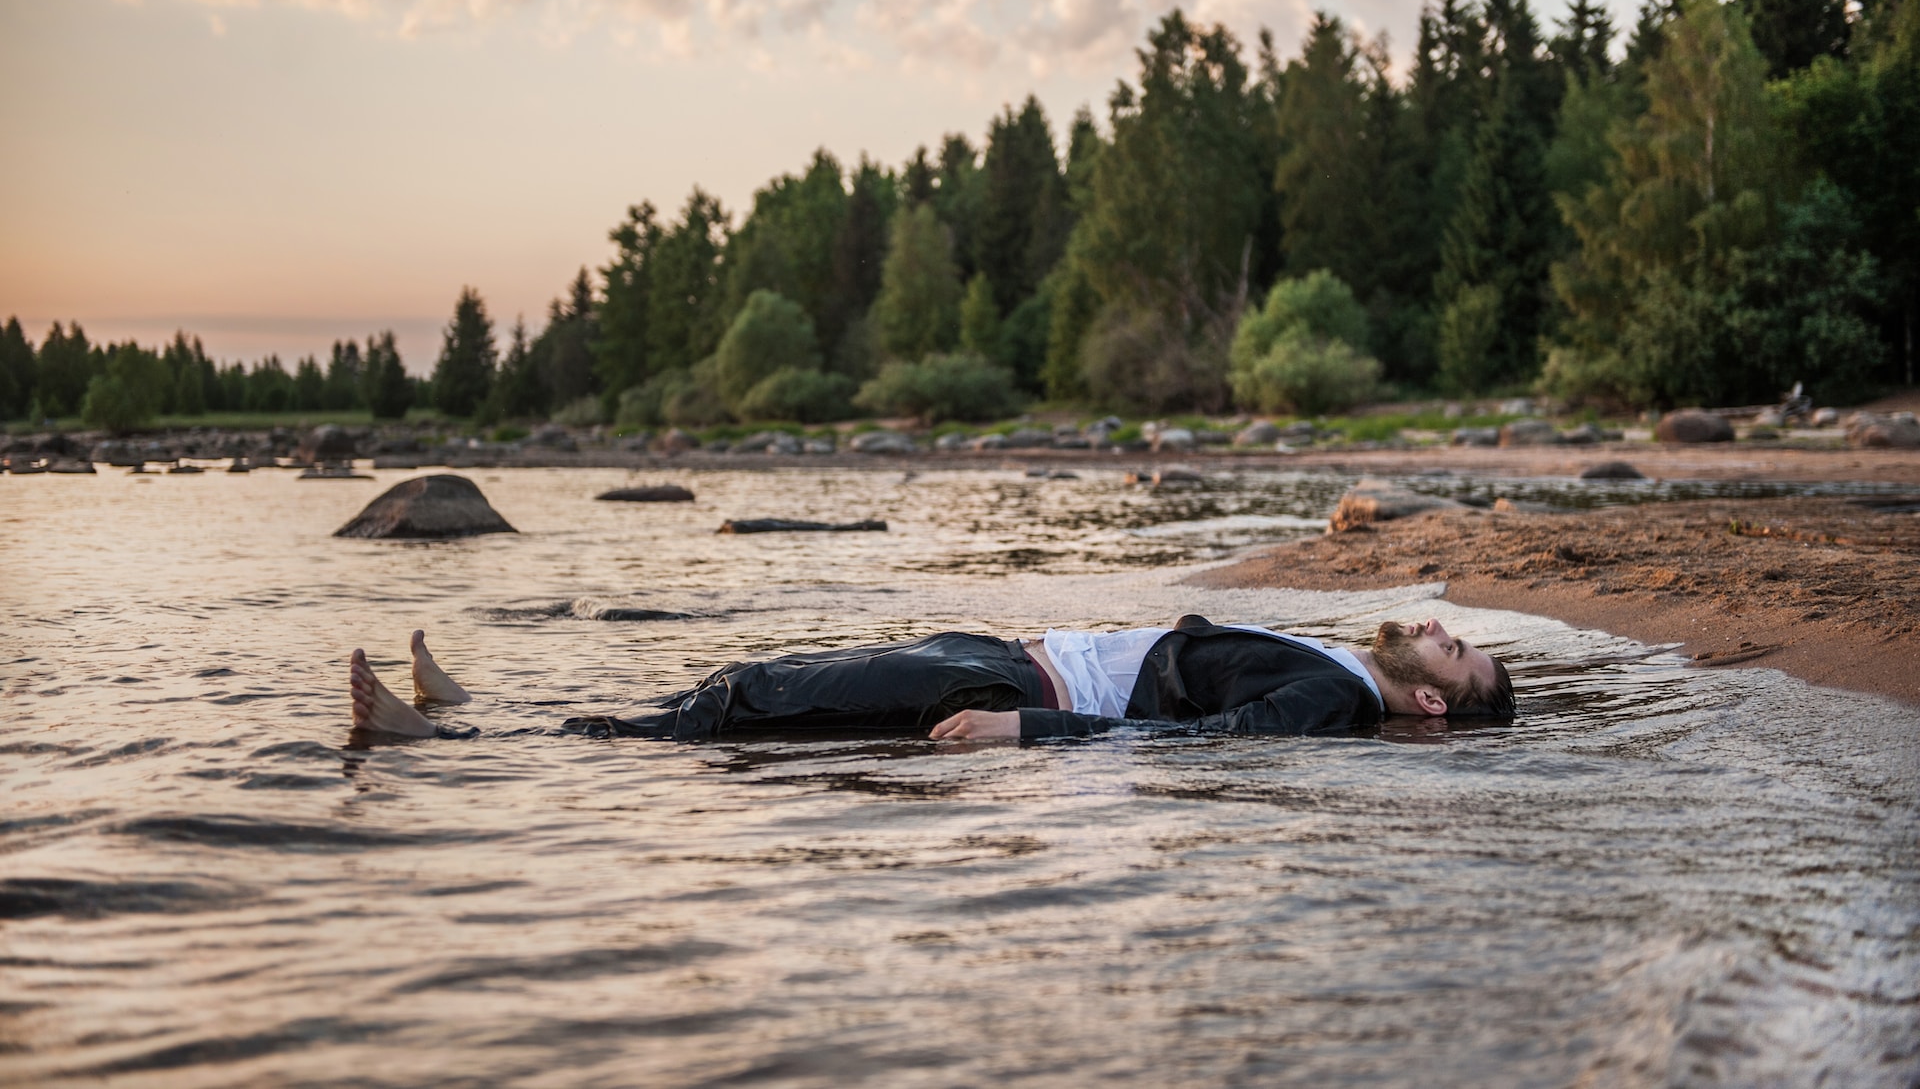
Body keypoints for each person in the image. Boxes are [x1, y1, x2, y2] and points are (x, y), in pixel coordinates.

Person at [349, 617, 1515, 741]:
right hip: (1008, 655)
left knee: (759, 709)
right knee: (760, 680)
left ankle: (453, 745)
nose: (1434, 631)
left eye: (1453, 654)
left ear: (1428, 699)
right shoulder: (1338, 663)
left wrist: (1025, 735)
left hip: (1015, 695)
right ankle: (492, 715)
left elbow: (1198, 743)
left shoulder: (1333, 700)